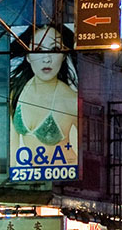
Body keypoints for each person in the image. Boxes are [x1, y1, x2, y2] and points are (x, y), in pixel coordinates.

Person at [8, 24, 81, 175]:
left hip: (63, 178)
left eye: (54, 50)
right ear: (28, 56)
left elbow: (89, 149)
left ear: (64, 55)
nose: (46, 59)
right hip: (29, 180)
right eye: (38, 50)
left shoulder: (71, 100)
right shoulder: (17, 91)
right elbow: (12, 145)